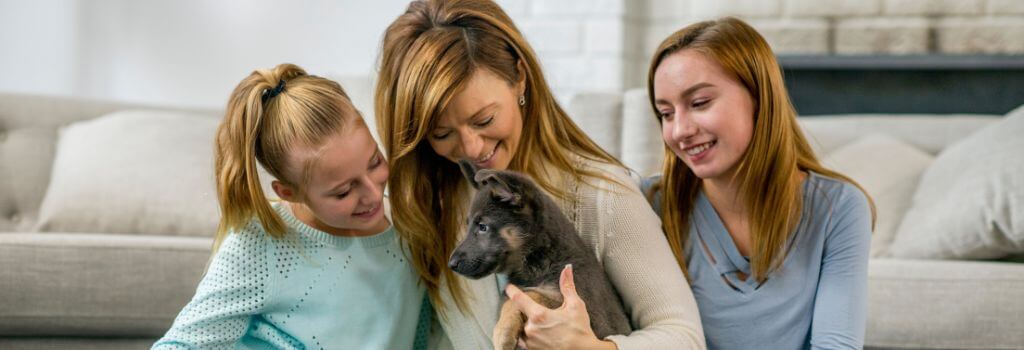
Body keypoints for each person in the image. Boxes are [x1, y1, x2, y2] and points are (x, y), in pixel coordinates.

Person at [375, 0, 705, 349]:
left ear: (519, 78)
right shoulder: (428, 209)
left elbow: (683, 338)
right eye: (442, 134)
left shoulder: (603, 196)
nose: (471, 148)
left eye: (484, 120)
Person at [153, 63, 430, 349]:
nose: (373, 194)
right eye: (343, 192)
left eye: (375, 163)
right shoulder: (262, 242)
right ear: (289, 192)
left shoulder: (409, 224)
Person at [643, 17, 876, 349]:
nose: (679, 131)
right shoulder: (648, 205)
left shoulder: (838, 207)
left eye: (699, 103)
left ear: (759, 98)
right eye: (666, 113)